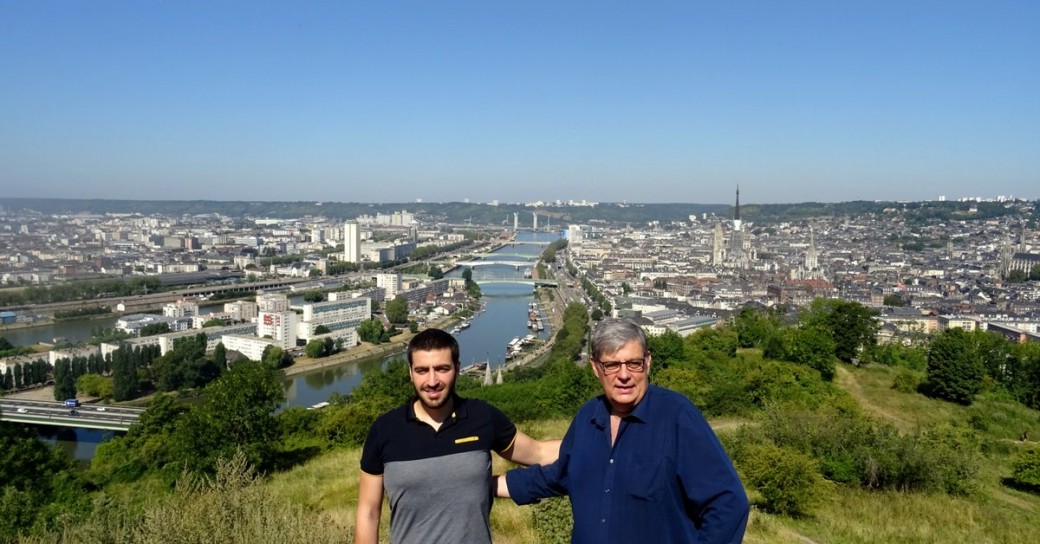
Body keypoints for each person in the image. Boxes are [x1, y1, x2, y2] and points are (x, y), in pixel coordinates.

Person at [497, 318, 749, 544]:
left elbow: (728, 504)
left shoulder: (677, 416)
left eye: (633, 363)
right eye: (612, 365)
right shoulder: (588, 417)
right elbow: (561, 474)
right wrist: (484, 483)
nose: (624, 375)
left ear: (647, 362)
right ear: (595, 367)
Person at [355, 328, 560, 544]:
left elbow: (538, 452)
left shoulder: (482, 417)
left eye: (442, 369)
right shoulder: (385, 429)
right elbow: (368, 513)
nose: (432, 381)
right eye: (422, 370)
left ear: (457, 369)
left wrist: (586, 440)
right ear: (410, 373)